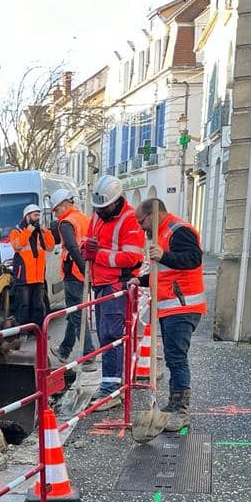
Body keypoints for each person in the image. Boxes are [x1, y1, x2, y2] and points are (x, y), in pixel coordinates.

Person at [129, 197, 207, 431]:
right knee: (174, 358)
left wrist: (163, 255)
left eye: (142, 221)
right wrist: (141, 279)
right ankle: (174, 404)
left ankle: (181, 410)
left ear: (154, 214)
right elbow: (162, 271)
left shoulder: (178, 230)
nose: (141, 227)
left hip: (182, 306)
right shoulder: (160, 234)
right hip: (170, 306)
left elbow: (193, 259)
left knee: (177, 359)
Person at [82, 175, 145, 409]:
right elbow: (88, 241)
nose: (100, 211)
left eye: (104, 206)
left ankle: (112, 390)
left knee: (111, 336)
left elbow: (132, 258)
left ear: (117, 201)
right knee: (105, 336)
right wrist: (84, 247)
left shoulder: (130, 220)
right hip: (100, 283)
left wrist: (96, 255)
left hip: (116, 285)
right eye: (97, 207)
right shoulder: (98, 215)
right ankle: (111, 383)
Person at [49, 188, 96, 369]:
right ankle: (64, 350)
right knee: (74, 312)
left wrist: (83, 270)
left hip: (74, 274)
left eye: (56, 209)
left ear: (65, 204)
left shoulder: (66, 223)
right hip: (84, 272)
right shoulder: (84, 219)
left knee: (77, 315)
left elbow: (72, 247)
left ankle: (89, 354)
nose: (56, 213)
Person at [9, 202, 55, 335]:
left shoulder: (40, 233)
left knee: (39, 306)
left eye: (38, 215)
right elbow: (17, 245)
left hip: (38, 276)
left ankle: (39, 332)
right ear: (27, 216)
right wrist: (28, 231)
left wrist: (45, 231)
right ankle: (23, 332)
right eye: (35, 215)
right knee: (24, 306)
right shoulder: (16, 231)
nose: (37, 218)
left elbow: (50, 247)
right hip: (24, 276)